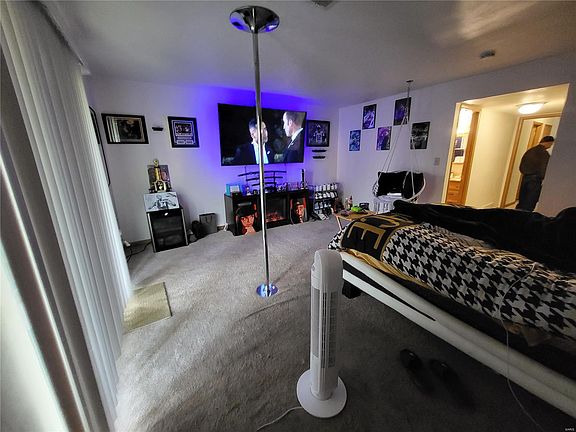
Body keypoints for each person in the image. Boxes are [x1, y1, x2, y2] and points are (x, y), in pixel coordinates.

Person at [516, 135, 554, 211]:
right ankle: (526, 216)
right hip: (535, 180)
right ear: (548, 143)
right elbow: (544, 168)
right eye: (551, 144)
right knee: (530, 201)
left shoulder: (530, 151)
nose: (550, 146)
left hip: (525, 177)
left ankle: (518, 213)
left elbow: (522, 165)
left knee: (522, 199)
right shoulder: (544, 154)